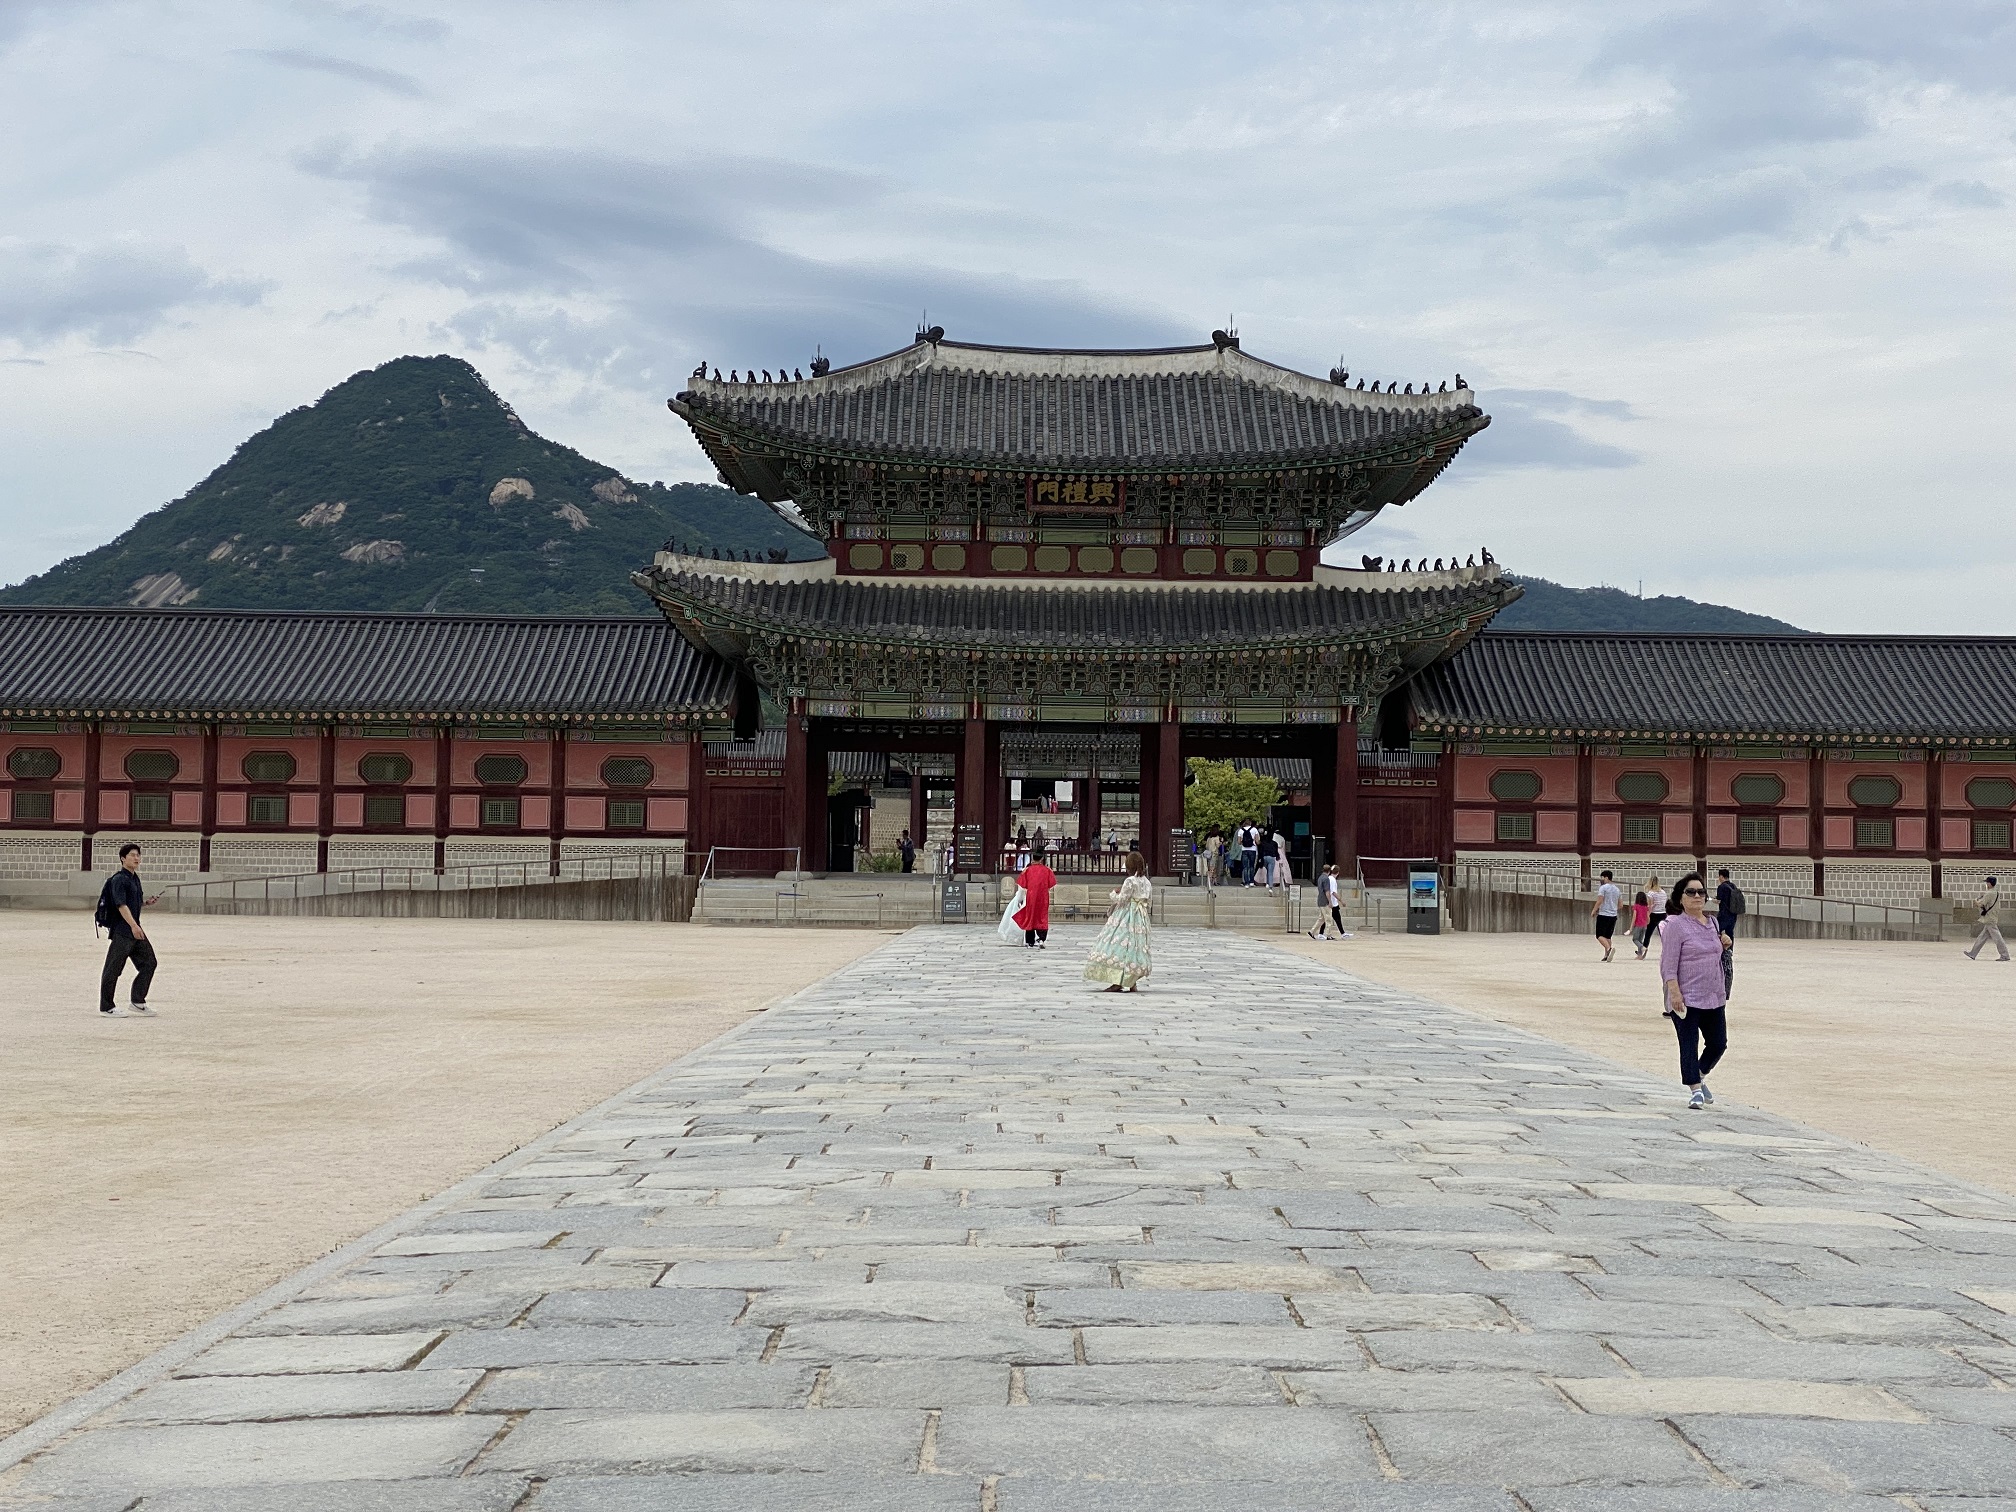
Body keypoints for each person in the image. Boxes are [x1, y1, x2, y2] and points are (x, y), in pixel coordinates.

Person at [1659, 872, 1733, 1109]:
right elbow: (1668, 963)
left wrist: (1724, 942)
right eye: (1691, 892)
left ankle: (1699, 1075)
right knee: (1688, 1043)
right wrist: (1674, 992)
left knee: (1718, 1043)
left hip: (1713, 994)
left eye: (1701, 891)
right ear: (1681, 898)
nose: (1697, 896)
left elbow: (1716, 952)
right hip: (1687, 996)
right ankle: (1695, 1090)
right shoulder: (1674, 926)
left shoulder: (1712, 922)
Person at [97, 842, 160, 1017]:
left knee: (149, 963)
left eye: (138, 855)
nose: (136, 858)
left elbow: (132, 903)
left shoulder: (134, 878)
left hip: (134, 928)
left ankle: (138, 1001)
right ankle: (106, 1007)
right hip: (123, 930)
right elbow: (120, 905)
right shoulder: (119, 879)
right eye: (132, 855)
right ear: (123, 858)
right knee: (113, 969)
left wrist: (146, 903)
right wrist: (133, 926)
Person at [1084, 849, 1153, 991]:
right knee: (1134, 947)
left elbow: (1122, 900)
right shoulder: (1147, 882)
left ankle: (1118, 981)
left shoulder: (1130, 881)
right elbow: (1149, 901)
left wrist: (1113, 893)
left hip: (1127, 915)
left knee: (1118, 944)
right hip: (1140, 917)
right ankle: (1131, 981)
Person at [1014, 844, 1056, 948]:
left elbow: (1023, 885)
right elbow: (1051, 884)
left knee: (1030, 917)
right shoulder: (1048, 871)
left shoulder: (1027, 870)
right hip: (1043, 897)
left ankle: (1030, 941)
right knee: (1042, 917)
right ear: (1042, 859)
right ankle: (1041, 939)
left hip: (1031, 897)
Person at [1966, 876, 2010, 961]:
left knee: (1997, 937)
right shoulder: (1995, 892)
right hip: (1992, 916)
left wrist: (1976, 901)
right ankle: (1973, 953)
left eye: (1987, 882)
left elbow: (1981, 904)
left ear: (1990, 883)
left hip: (1989, 918)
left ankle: (2005, 955)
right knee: (1982, 937)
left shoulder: (1989, 893)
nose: (1986, 884)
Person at [1714, 867, 1741, 996]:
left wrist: (1712, 900)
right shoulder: (1733, 886)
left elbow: (1718, 900)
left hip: (1724, 914)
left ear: (1721, 876)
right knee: (1730, 933)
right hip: (1733, 914)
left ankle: (1719, 950)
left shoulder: (1722, 887)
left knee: (1717, 931)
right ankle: (1730, 951)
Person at [1308, 863, 1347, 940]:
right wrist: (1330, 901)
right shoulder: (1326, 879)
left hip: (1320, 899)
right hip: (1325, 901)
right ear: (1329, 871)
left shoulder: (1320, 878)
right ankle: (1329, 935)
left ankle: (1312, 931)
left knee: (1321, 918)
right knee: (1328, 919)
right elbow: (1327, 891)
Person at [1588, 869, 1621, 962]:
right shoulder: (1617, 889)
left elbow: (1600, 900)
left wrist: (1594, 910)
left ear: (1606, 877)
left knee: (1599, 935)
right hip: (1613, 915)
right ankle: (1607, 955)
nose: (1601, 880)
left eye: (1602, 878)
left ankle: (1609, 949)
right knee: (1608, 936)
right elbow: (1621, 905)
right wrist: (1613, 909)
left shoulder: (1603, 888)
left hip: (1604, 914)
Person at [1635, 876, 1667, 960]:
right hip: (1663, 914)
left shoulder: (1650, 893)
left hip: (1654, 914)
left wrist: (1647, 916)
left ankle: (1641, 953)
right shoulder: (1663, 892)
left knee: (1648, 934)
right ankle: (1668, 952)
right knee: (1663, 935)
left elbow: (1650, 906)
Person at [1629, 889, 1652, 957]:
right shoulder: (1646, 907)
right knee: (1640, 940)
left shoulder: (1636, 906)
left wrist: (1631, 927)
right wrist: (1647, 923)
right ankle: (1640, 954)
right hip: (1644, 925)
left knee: (1635, 939)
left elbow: (1634, 917)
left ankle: (1642, 947)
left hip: (1638, 925)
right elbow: (1648, 917)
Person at [1238, 822, 1259, 886]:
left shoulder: (1240, 830)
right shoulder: (1254, 829)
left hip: (1244, 850)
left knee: (1245, 867)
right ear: (1250, 823)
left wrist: (1243, 842)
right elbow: (1257, 841)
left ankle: (1246, 883)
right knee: (1251, 866)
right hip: (1253, 849)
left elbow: (1238, 842)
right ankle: (1251, 882)